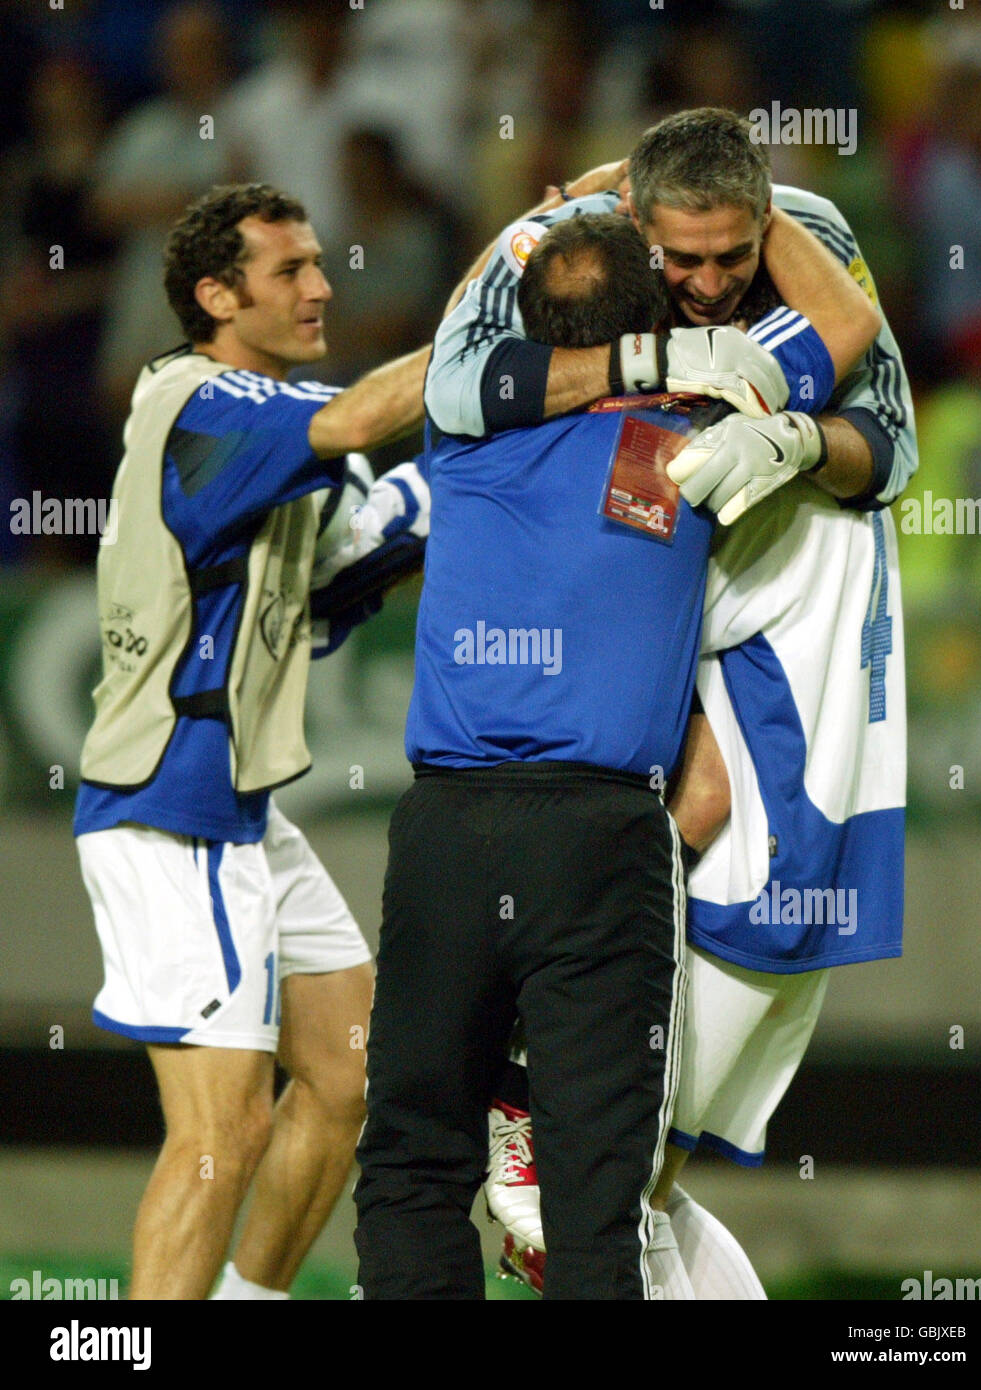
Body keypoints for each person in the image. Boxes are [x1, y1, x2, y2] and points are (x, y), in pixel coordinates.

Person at [426, 108, 915, 1296]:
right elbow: (451, 387)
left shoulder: (809, 235)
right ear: (635, 224)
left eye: (726, 262)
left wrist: (797, 439)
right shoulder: (557, 243)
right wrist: (656, 366)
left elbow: (887, 437)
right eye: (677, 261)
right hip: (665, 645)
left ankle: (531, 1076)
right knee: (609, 1171)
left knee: (643, 1168)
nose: (702, 286)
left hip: (777, 662)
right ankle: (525, 1067)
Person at [354, 213, 722, 1302]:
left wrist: (548, 212)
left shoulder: (458, 435)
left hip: (445, 835)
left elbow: (465, 322)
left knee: (414, 1162)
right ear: (650, 317)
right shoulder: (690, 439)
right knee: (592, 1193)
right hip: (599, 840)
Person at [73, 182, 430, 1301]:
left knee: (344, 1064)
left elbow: (323, 588)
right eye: (291, 272)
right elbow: (365, 418)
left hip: (234, 809)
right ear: (217, 297)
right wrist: (501, 301)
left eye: (319, 262)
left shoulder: (256, 425)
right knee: (218, 1131)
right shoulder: (211, 402)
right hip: (170, 812)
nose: (323, 286)